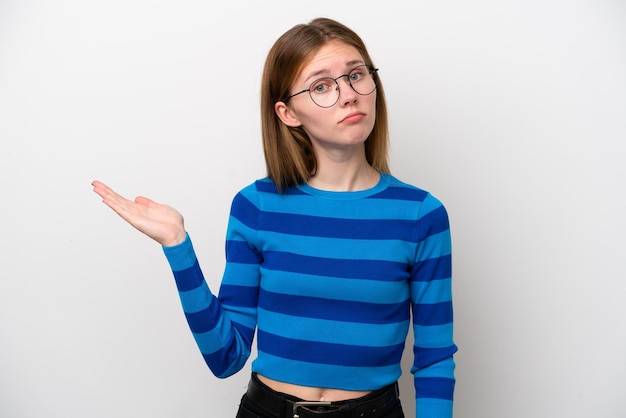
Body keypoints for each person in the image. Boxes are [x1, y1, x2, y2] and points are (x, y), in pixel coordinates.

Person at [92, 17, 457, 418]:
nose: (349, 95)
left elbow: (435, 358)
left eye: (356, 75)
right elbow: (226, 358)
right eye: (322, 86)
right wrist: (178, 246)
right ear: (287, 113)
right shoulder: (257, 207)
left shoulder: (421, 214)